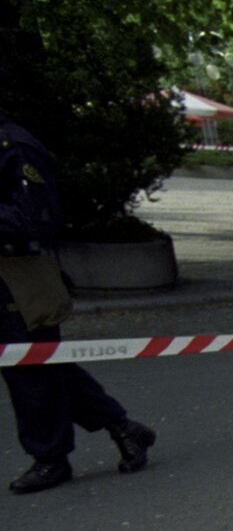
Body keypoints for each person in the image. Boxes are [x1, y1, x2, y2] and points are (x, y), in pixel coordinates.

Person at [2, 113, 156, 495]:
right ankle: (122, 427)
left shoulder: (12, 145)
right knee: (44, 363)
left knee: (31, 367)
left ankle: (50, 457)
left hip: (17, 274)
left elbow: (37, 214)